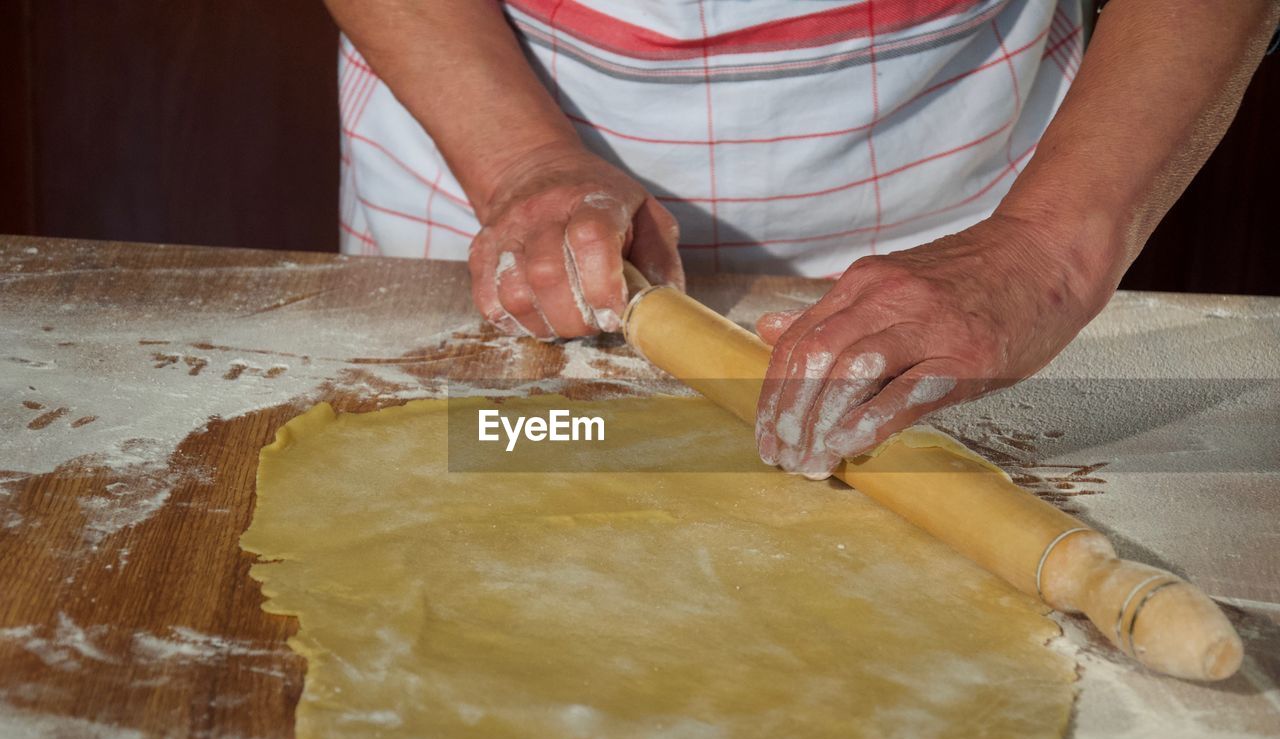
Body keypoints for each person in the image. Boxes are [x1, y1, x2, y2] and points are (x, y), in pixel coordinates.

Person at [329, 0, 1279, 479]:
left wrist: (1047, 251)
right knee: (478, 476)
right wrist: (519, 161)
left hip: (965, 205)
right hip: (498, 162)